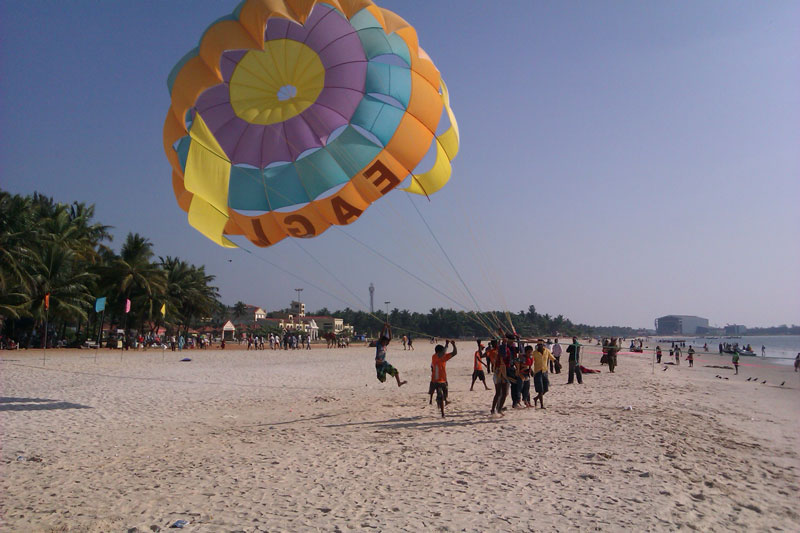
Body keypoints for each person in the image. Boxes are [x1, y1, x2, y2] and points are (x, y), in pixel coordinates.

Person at [431, 340, 457, 417]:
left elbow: (454, 353)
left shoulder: (443, 357)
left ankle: (441, 400)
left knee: (445, 396)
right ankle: (442, 413)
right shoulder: (435, 356)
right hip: (436, 381)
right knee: (441, 396)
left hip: (444, 380)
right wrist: (447, 345)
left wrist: (453, 345)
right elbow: (442, 354)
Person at [532, 340, 556, 408]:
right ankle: (542, 405)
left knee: (546, 389)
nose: (539, 346)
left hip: (545, 371)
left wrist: (557, 363)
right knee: (540, 389)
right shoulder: (534, 353)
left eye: (541, 345)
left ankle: (536, 398)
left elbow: (552, 358)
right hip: (537, 372)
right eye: (538, 345)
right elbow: (531, 361)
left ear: (543, 345)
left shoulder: (547, 351)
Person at [491, 342, 512, 415]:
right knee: (500, 393)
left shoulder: (502, 353)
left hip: (501, 373)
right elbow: (499, 370)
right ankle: (495, 409)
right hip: (499, 374)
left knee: (503, 393)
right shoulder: (499, 357)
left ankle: (497, 409)